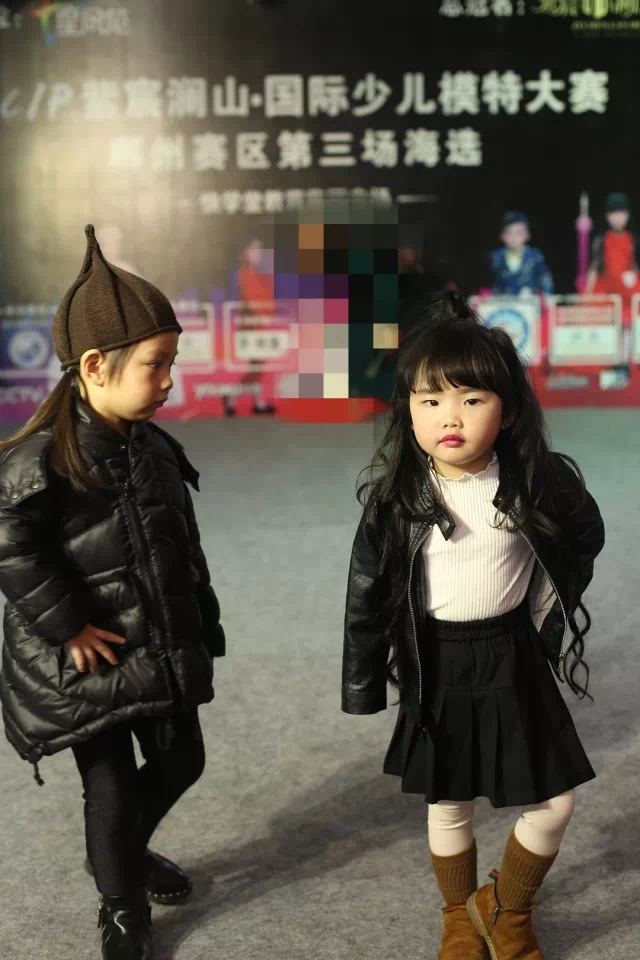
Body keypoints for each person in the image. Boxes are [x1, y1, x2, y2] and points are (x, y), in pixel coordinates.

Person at [342, 291, 604, 960]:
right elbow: (366, 594)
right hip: (439, 661)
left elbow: (583, 534)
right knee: (448, 802)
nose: (449, 417)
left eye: (471, 399)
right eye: (430, 400)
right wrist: (363, 683)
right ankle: (459, 917)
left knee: (555, 804)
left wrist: (548, 605)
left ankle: (507, 911)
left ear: (508, 411)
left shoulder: (535, 481)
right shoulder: (398, 499)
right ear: (407, 410)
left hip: (513, 654)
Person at [0, 225, 225, 960]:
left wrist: (202, 619)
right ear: (95, 366)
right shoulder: (40, 460)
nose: (169, 382)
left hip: (155, 643)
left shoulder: (152, 446)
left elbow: (179, 545)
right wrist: (67, 627)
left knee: (182, 759)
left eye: (171, 364)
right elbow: (10, 544)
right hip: (84, 660)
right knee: (111, 787)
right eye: (156, 366)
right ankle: (122, 904)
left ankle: (117, 853)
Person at [586, 192, 640, 306]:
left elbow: (634, 266)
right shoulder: (601, 240)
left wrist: (633, 277)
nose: (618, 218)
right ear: (607, 216)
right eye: (614, 214)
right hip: (607, 290)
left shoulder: (633, 240)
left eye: (621, 213)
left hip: (627, 289)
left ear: (627, 215)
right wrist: (586, 295)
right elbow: (594, 269)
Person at [490, 212, 554, 296]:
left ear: (527, 235)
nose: (514, 237)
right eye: (509, 233)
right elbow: (493, 283)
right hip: (503, 301)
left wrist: (546, 294)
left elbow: (544, 278)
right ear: (502, 236)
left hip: (529, 300)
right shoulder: (496, 257)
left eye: (519, 233)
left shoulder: (535, 256)